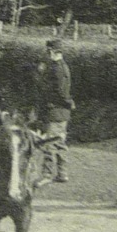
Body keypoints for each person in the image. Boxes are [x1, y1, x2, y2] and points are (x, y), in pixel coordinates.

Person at [31, 39, 75, 183]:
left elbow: (60, 93)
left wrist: (68, 102)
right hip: (61, 112)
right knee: (59, 143)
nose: (46, 53)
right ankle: (62, 173)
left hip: (55, 111)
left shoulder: (57, 69)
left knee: (49, 143)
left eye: (47, 51)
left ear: (51, 51)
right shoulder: (61, 67)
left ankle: (47, 175)